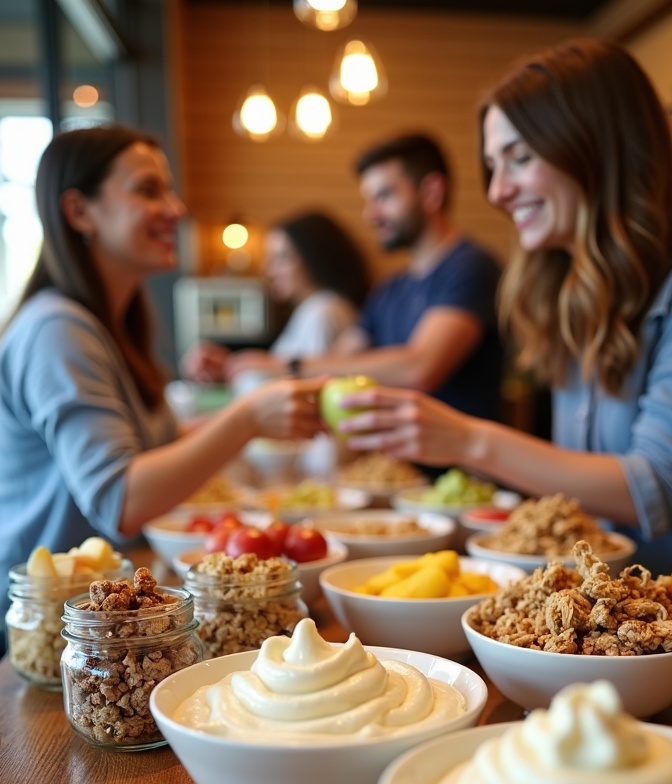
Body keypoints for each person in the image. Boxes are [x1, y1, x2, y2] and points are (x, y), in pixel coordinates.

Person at [334, 39, 672, 678]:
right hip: (603, 630)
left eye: (519, 158)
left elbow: (654, 491)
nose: (500, 190)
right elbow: (576, 493)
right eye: (492, 165)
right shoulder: (570, 286)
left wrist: (467, 440)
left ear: (596, 149)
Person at [0, 125, 321, 646]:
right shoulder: (57, 329)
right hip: (56, 631)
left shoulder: (111, 321)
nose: (175, 208)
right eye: (149, 190)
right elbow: (118, 499)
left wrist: (270, 412)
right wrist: (247, 418)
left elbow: (164, 443)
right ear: (80, 212)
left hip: (110, 611)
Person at [211, 134, 505, 421]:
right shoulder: (391, 288)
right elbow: (340, 361)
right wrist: (237, 367)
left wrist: (286, 365)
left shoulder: (471, 267)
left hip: (460, 468)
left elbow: (420, 368)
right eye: (368, 200)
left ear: (432, 192)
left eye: (384, 196)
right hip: (396, 464)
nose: (370, 214)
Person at [183, 211, 370, 383]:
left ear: (316, 257)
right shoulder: (313, 309)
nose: (268, 269)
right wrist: (230, 366)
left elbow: (308, 388)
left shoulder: (324, 311)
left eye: (281, 257)